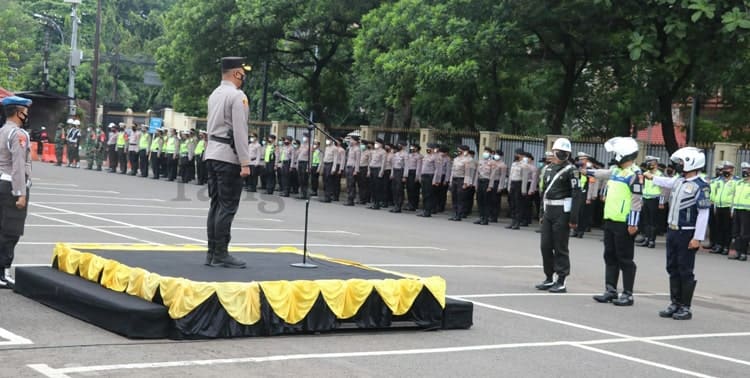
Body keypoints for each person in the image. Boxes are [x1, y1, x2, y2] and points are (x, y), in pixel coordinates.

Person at [644, 147, 710, 320]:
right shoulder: (679, 181)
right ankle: (675, 303)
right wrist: (652, 177)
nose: (678, 165)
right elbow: (666, 182)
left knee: (685, 269)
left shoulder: (701, 186)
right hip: (672, 231)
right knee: (672, 267)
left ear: (691, 163)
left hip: (687, 233)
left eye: (681, 162)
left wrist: (698, 237)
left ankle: (685, 307)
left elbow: (703, 214)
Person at [204, 56, 252, 269]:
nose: (244, 76)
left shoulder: (215, 94)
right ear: (236, 73)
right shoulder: (237, 96)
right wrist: (245, 162)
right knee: (227, 206)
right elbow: (240, 132)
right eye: (243, 72)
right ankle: (221, 253)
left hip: (212, 153)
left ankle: (212, 252)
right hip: (228, 156)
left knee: (216, 204)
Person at [590, 137, 643, 306]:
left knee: (625, 258)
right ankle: (610, 290)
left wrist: (633, 223)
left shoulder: (635, 175)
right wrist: (585, 171)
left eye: (616, 154)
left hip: (625, 222)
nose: (614, 157)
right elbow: (601, 173)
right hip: (611, 219)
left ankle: (628, 294)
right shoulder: (616, 171)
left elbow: (637, 201)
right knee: (609, 256)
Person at [535, 137, 580, 294]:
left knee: (560, 246)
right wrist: (541, 212)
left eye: (564, 153)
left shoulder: (571, 170)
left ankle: (561, 280)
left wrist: (573, 218)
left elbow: (576, 195)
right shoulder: (547, 169)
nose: (560, 155)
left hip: (562, 211)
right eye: (558, 152)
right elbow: (544, 193)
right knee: (545, 245)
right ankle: (549, 277)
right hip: (549, 210)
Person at [0, 96, 33, 289]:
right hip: (11, 186)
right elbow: (19, 165)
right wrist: (20, 192)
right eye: (25, 111)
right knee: (10, 231)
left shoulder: (2, 131)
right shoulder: (18, 134)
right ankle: (3, 272)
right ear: (17, 112)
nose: (27, 115)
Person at [709, 161, 738, 255]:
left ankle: (726, 246)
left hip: (728, 207)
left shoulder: (735, 181)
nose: (726, 171)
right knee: (718, 227)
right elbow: (715, 194)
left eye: (728, 169)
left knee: (727, 228)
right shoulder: (718, 181)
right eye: (724, 169)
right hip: (718, 206)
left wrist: (732, 209)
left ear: (732, 170)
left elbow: (735, 195)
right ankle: (719, 245)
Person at [637, 156, 662, 248]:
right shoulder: (645, 173)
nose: (648, 164)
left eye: (650, 162)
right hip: (645, 198)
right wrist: (641, 199)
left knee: (653, 221)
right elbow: (643, 187)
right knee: (646, 221)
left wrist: (661, 202)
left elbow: (662, 189)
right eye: (648, 162)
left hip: (654, 199)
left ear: (656, 163)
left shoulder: (659, 174)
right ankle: (646, 238)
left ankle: (652, 241)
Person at [729, 162, 750, 261]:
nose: (745, 172)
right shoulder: (739, 183)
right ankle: (736, 251)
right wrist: (732, 209)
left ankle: (743, 253)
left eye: (747, 170)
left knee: (744, 233)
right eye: (744, 170)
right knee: (735, 232)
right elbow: (733, 196)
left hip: (747, 211)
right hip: (737, 209)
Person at [474, 147, 499, 225]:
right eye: (484, 152)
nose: (485, 153)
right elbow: (477, 174)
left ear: (491, 154)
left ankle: (485, 218)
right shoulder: (480, 161)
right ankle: (481, 217)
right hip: (480, 181)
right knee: (479, 200)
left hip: (487, 182)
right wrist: (475, 184)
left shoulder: (493, 163)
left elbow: (492, 175)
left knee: (486, 201)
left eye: (487, 152)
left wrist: (490, 186)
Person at [390, 141, 408, 213]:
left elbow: (407, 166)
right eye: (398, 145)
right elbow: (393, 165)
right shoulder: (396, 154)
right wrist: (392, 173)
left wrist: (405, 176)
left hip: (401, 172)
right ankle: (395, 205)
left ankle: (399, 206)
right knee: (394, 189)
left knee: (399, 189)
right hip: (395, 171)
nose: (398, 146)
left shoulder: (405, 154)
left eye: (400, 145)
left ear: (403, 146)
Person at [344, 136, 361, 206]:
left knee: (351, 184)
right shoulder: (349, 148)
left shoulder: (357, 149)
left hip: (353, 168)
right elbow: (347, 158)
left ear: (355, 141)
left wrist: (356, 170)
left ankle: (351, 200)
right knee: (348, 184)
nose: (350, 141)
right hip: (348, 167)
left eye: (351, 140)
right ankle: (348, 199)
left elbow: (357, 161)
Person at [405, 144, 422, 211]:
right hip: (409, 172)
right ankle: (410, 203)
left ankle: (414, 204)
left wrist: (417, 176)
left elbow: (418, 167)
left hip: (414, 173)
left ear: (417, 148)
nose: (412, 148)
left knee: (414, 189)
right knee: (409, 189)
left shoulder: (419, 156)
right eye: (411, 147)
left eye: (413, 147)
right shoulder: (409, 155)